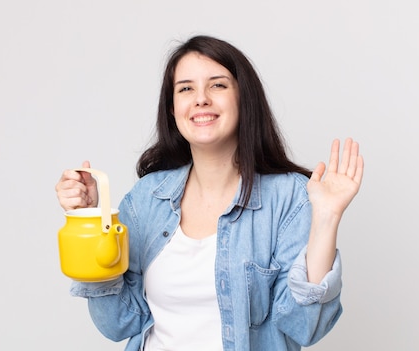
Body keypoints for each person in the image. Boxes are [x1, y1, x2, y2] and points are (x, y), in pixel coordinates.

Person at [55, 35, 364, 351]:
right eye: (186, 88)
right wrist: (90, 222)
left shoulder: (289, 197)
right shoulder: (147, 197)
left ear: (244, 100)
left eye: (217, 85)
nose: (200, 99)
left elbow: (303, 327)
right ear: (173, 110)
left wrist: (326, 218)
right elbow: (119, 322)